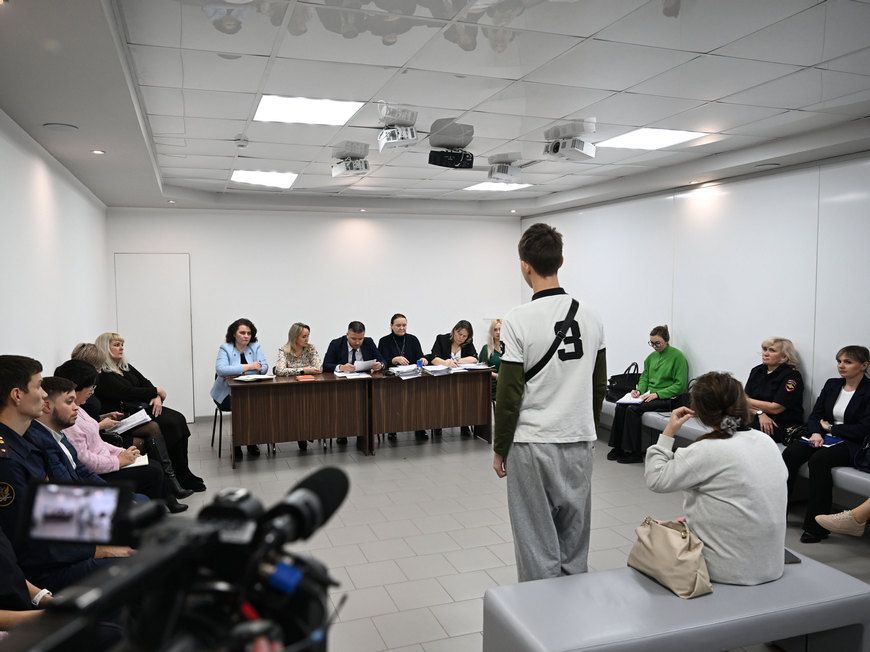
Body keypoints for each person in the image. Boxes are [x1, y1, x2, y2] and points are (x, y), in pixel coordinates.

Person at [492, 223, 607, 582]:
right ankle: (573, 606)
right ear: (561, 261)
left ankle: (540, 611)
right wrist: (586, 428)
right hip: (579, 439)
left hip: (532, 443)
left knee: (535, 541)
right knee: (574, 539)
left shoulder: (517, 319)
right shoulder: (591, 317)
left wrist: (500, 447)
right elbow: (598, 385)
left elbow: (508, 394)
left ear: (525, 265)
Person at [645, 372, 787, 585]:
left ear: (699, 412)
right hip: (771, 565)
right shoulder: (765, 441)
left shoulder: (706, 449)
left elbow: (656, 479)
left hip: (727, 570)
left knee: (649, 537)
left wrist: (669, 431)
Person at [0, 355, 124, 593]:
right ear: (17, 395)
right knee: (129, 566)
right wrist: (97, 549)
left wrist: (109, 512)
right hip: (42, 572)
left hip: (59, 546)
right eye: (38, 386)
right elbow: (28, 541)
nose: (44, 395)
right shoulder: (7, 462)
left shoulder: (26, 441)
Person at [52, 365, 190, 513]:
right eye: (90, 387)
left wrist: (122, 452)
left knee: (154, 460)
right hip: (104, 467)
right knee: (153, 469)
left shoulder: (79, 409)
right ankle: (158, 507)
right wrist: (119, 461)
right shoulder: (70, 419)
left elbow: (97, 442)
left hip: (107, 458)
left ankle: (165, 501)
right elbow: (87, 461)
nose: (92, 391)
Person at [94, 332, 205, 492]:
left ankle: (183, 472)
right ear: (105, 348)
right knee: (170, 424)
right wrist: (156, 390)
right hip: (124, 416)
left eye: (122, 345)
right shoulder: (104, 375)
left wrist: (156, 396)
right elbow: (127, 392)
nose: (121, 348)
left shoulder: (124, 367)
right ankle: (173, 477)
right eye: (116, 345)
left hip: (140, 409)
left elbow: (145, 382)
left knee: (179, 419)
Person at [782, 345, 870, 543]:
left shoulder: (868, 390)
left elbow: (864, 429)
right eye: (839, 361)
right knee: (791, 454)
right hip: (822, 435)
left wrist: (831, 429)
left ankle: (816, 527)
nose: (841, 366)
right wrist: (815, 432)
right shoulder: (832, 384)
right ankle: (779, 513)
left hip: (852, 443)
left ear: (864, 365)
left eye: (848, 362)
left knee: (819, 460)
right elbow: (816, 415)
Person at [607, 325, 688, 464]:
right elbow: (644, 378)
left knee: (633, 409)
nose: (654, 346)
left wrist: (658, 394)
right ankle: (618, 447)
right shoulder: (650, 358)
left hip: (668, 398)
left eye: (658, 343)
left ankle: (634, 452)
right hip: (649, 395)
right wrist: (639, 390)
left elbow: (680, 386)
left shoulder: (678, 357)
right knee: (620, 406)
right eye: (652, 343)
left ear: (666, 340)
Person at [210, 318, 268, 462]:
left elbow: (264, 367)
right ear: (234, 334)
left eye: (249, 333)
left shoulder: (255, 346)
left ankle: (251, 441)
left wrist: (236, 371)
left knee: (255, 404)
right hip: (226, 394)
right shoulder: (225, 348)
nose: (246, 336)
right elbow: (221, 370)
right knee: (242, 405)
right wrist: (250, 367)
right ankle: (237, 444)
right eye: (242, 332)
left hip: (250, 391)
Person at [323, 321, 384, 445]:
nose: (357, 342)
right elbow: (326, 365)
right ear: (347, 335)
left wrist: (380, 365)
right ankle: (342, 432)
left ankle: (364, 432)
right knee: (344, 405)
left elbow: (382, 360)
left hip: (364, 384)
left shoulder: (369, 342)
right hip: (342, 385)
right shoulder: (336, 344)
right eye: (353, 338)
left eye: (360, 339)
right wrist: (341, 367)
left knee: (369, 403)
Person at [377, 314, 428, 441]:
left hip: (412, 378)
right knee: (394, 403)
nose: (401, 328)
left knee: (418, 401)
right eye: (398, 325)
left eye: (404, 325)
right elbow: (381, 361)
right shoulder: (384, 341)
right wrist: (393, 360)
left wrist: (423, 359)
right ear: (391, 326)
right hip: (393, 380)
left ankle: (419, 428)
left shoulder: (413, 339)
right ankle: (392, 429)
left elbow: (419, 356)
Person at [744, 337, 804, 443]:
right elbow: (744, 401)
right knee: (726, 418)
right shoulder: (757, 370)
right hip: (757, 416)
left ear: (784, 356)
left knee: (741, 430)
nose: (765, 353)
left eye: (772, 350)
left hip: (779, 423)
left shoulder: (792, 376)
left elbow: (775, 408)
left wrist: (746, 401)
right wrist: (759, 413)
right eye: (765, 349)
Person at [275, 322, 322, 451]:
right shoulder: (284, 350)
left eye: (308, 336)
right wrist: (303, 370)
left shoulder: (310, 348)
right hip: (290, 389)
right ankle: (302, 435)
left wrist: (294, 370)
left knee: (314, 406)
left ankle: (309, 432)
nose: (307, 339)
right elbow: (279, 370)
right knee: (297, 409)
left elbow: (318, 368)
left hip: (309, 387)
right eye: (304, 336)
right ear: (294, 337)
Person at [428, 320, 479, 438]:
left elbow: (474, 358)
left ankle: (464, 424)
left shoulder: (468, 342)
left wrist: (458, 361)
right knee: (441, 398)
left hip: (461, 379)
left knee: (465, 396)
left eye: (464, 336)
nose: (461, 338)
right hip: (442, 379)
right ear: (454, 331)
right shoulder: (442, 339)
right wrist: (446, 363)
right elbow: (433, 358)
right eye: (459, 334)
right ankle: (438, 424)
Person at [478, 318, 504, 403]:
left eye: (500, 329)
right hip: (492, 388)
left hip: (506, 387)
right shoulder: (486, 349)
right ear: (491, 332)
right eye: (495, 330)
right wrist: (497, 376)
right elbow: (482, 370)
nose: (498, 332)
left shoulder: (509, 348)